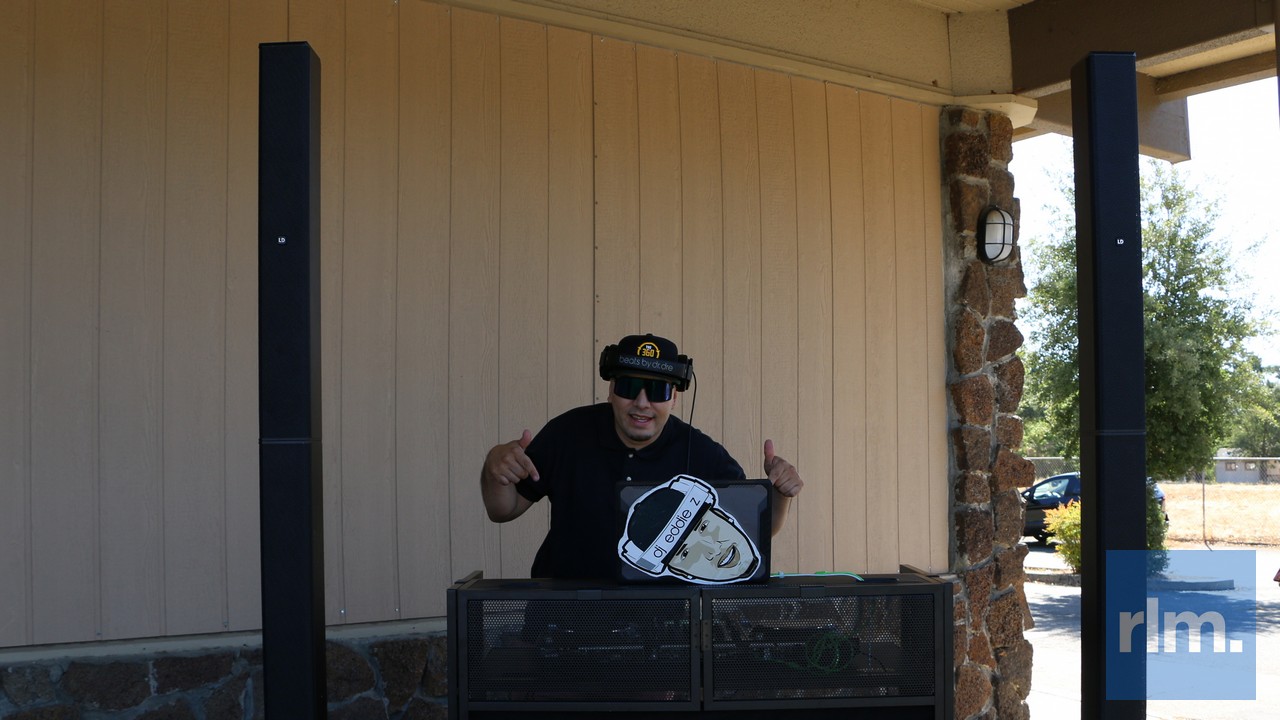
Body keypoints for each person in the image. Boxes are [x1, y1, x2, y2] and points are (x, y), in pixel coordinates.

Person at [481, 333, 804, 580]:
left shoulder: (702, 453)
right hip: (562, 616)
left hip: (662, 625)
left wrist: (780, 494)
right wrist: (495, 469)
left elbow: (757, 529)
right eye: (629, 386)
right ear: (611, 390)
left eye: (658, 390)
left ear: (674, 397)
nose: (642, 402)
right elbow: (502, 509)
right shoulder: (567, 434)